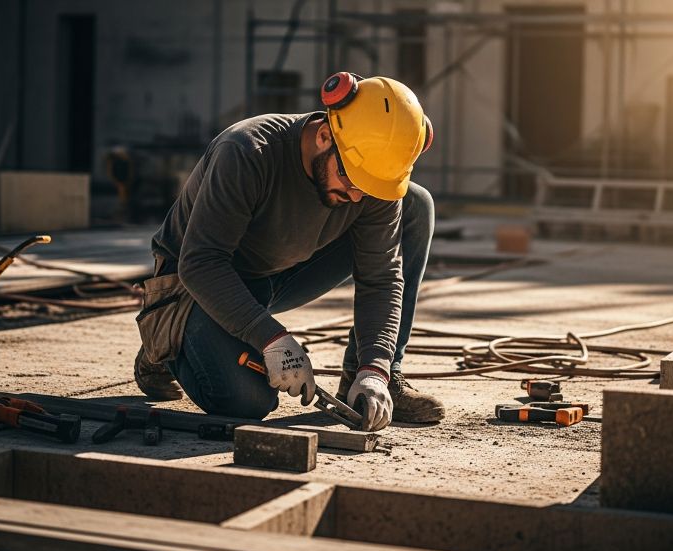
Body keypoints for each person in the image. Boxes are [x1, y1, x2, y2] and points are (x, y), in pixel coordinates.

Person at [133, 73, 444, 432]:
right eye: (352, 179)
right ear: (325, 135)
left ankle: (367, 382)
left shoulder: (373, 178)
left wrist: (375, 367)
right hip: (195, 286)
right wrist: (273, 338)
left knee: (415, 205)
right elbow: (201, 263)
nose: (358, 196)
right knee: (248, 402)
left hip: (276, 275)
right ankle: (166, 342)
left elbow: (382, 279)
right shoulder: (247, 152)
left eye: (368, 186)